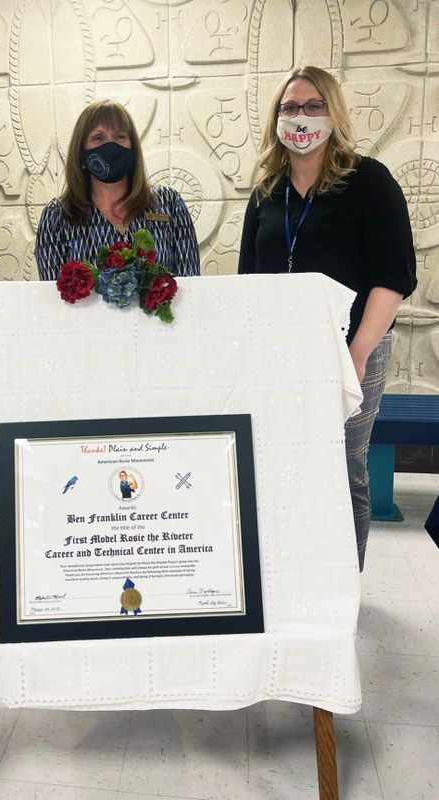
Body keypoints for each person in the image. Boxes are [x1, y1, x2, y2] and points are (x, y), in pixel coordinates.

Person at [238, 65, 417, 571]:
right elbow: (248, 278)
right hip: (281, 352)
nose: (301, 117)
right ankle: (293, 577)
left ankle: (344, 587)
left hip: (355, 346)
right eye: (290, 107)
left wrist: (356, 354)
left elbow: (393, 277)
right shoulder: (266, 193)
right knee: (282, 463)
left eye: (313, 105)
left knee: (343, 468)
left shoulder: (369, 181)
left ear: (333, 113)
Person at [35, 99, 200, 280]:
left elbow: (190, 287)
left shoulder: (169, 204)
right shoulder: (57, 216)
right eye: (98, 137)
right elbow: (53, 297)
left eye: (120, 136)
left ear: (132, 146)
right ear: (81, 152)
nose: (111, 146)